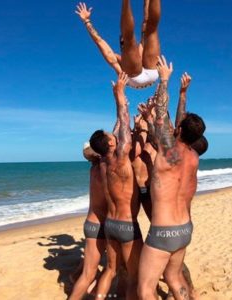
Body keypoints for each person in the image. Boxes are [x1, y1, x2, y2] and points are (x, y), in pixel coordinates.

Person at [138, 55, 206, 300]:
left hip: (163, 232)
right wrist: (183, 93)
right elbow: (178, 124)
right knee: (174, 278)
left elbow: (161, 113)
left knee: (145, 288)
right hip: (185, 228)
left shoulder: (167, 152)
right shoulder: (193, 156)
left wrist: (163, 81)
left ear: (177, 130)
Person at [89, 72, 143, 299]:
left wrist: (122, 111)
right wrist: (119, 94)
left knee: (110, 270)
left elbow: (119, 126)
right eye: (110, 135)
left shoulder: (101, 162)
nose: (114, 135)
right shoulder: (121, 157)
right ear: (111, 142)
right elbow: (124, 124)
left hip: (110, 224)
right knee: (134, 276)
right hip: (127, 225)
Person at [75, 0, 161, 89]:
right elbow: (99, 41)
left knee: (150, 28)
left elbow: (146, 21)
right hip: (136, 78)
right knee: (129, 38)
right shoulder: (118, 59)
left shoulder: (140, 47)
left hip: (149, 74)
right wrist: (86, 21)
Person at [69, 143, 107, 300]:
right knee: (90, 273)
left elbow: (88, 152)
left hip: (92, 223)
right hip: (99, 226)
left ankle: (85, 285)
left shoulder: (94, 169)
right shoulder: (105, 169)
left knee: (88, 271)